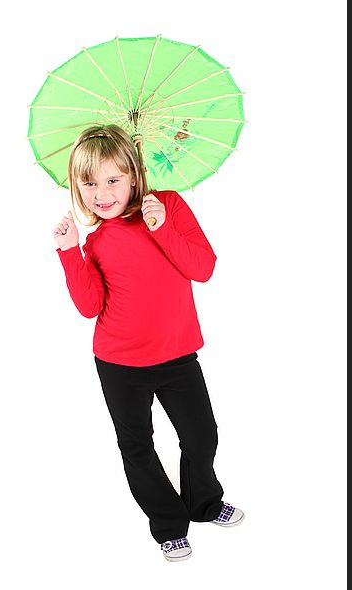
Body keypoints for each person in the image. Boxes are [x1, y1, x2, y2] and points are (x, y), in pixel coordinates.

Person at [53, 124, 244, 562]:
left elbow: (203, 268)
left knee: (201, 437)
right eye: (89, 183)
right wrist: (70, 251)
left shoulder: (170, 207)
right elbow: (89, 306)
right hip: (119, 363)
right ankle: (168, 523)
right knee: (137, 446)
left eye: (113, 179)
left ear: (135, 174)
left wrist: (161, 228)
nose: (101, 193)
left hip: (177, 355)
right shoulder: (96, 241)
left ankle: (204, 502)